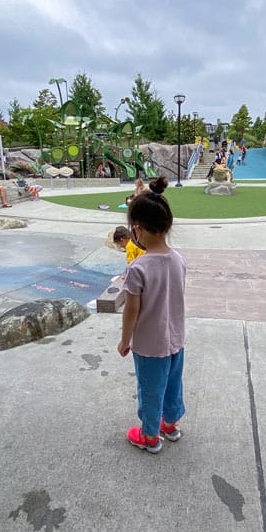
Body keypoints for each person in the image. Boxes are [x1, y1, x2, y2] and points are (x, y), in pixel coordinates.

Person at [118, 177, 187, 454]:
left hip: (149, 345)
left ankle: (149, 436)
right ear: (167, 226)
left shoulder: (138, 268)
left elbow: (132, 310)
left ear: (137, 229)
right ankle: (170, 425)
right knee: (172, 384)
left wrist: (125, 341)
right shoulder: (179, 259)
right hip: (176, 341)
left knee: (150, 389)